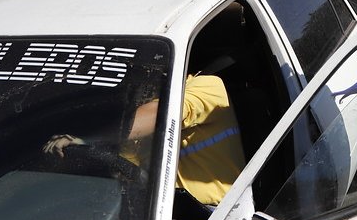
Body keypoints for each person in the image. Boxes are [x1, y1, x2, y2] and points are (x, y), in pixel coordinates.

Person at [44, 73, 246, 206]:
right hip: (155, 213)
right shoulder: (127, 131)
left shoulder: (207, 86)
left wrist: (83, 139)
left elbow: (162, 115)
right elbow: (125, 177)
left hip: (210, 216)